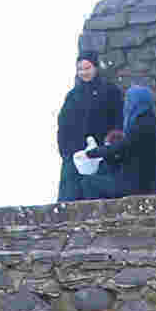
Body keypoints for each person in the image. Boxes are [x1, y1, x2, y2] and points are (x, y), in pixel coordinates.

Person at [75, 83, 156, 201]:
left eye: (129, 99)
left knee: (88, 183)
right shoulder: (149, 122)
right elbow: (128, 150)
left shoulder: (142, 125)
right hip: (143, 180)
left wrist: (90, 153)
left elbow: (121, 147)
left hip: (135, 183)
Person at [55, 51, 122, 201]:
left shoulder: (110, 91)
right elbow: (63, 124)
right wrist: (66, 150)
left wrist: (110, 144)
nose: (84, 72)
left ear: (96, 68)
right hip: (76, 153)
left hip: (103, 151)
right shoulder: (73, 96)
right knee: (70, 194)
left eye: (87, 68)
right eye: (80, 69)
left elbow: (118, 119)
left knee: (97, 192)